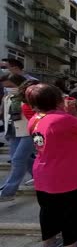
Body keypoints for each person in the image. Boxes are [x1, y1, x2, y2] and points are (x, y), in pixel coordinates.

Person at [26, 83, 77, 247]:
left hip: (43, 173)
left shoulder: (35, 119)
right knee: (72, 213)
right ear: (58, 100)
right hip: (69, 174)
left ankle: (49, 242)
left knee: (48, 212)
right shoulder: (64, 119)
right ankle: (72, 244)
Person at [0, 74, 35, 202]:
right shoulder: (7, 97)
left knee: (18, 160)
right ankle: (38, 176)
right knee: (24, 159)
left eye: (10, 86)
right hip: (13, 132)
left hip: (29, 131)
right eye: (6, 86)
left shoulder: (30, 95)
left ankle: (8, 192)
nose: (8, 88)